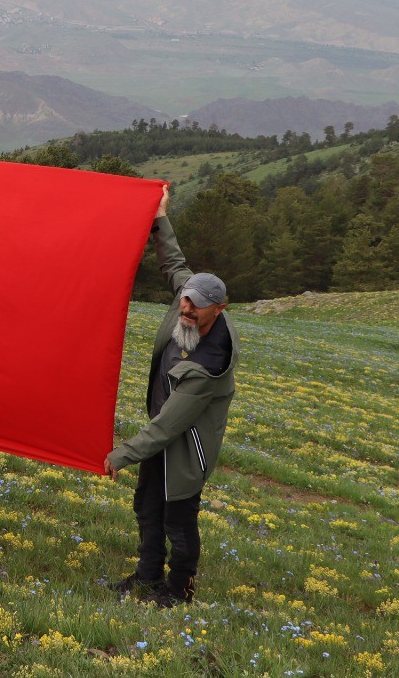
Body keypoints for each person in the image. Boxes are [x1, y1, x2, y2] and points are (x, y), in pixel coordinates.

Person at [104, 186, 239, 607]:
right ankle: (146, 577)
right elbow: (174, 263)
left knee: (178, 519)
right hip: (162, 435)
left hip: (186, 446)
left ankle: (179, 590)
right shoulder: (187, 298)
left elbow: (169, 425)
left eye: (196, 306)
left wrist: (121, 454)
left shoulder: (212, 359)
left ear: (219, 308)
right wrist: (160, 215)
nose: (186, 309)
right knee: (147, 506)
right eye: (185, 300)